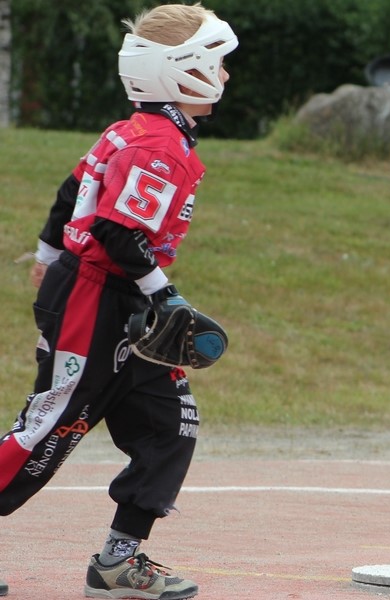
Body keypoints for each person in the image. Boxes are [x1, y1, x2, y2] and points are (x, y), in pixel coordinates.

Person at [0, 4, 237, 598]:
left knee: (170, 425)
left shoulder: (135, 130)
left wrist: (48, 253)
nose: (226, 75)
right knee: (50, 427)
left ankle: (117, 563)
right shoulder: (158, 144)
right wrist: (166, 296)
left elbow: (71, 190)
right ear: (179, 73)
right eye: (217, 64)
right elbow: (116, 231)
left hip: (119, 296)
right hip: (96, 295)